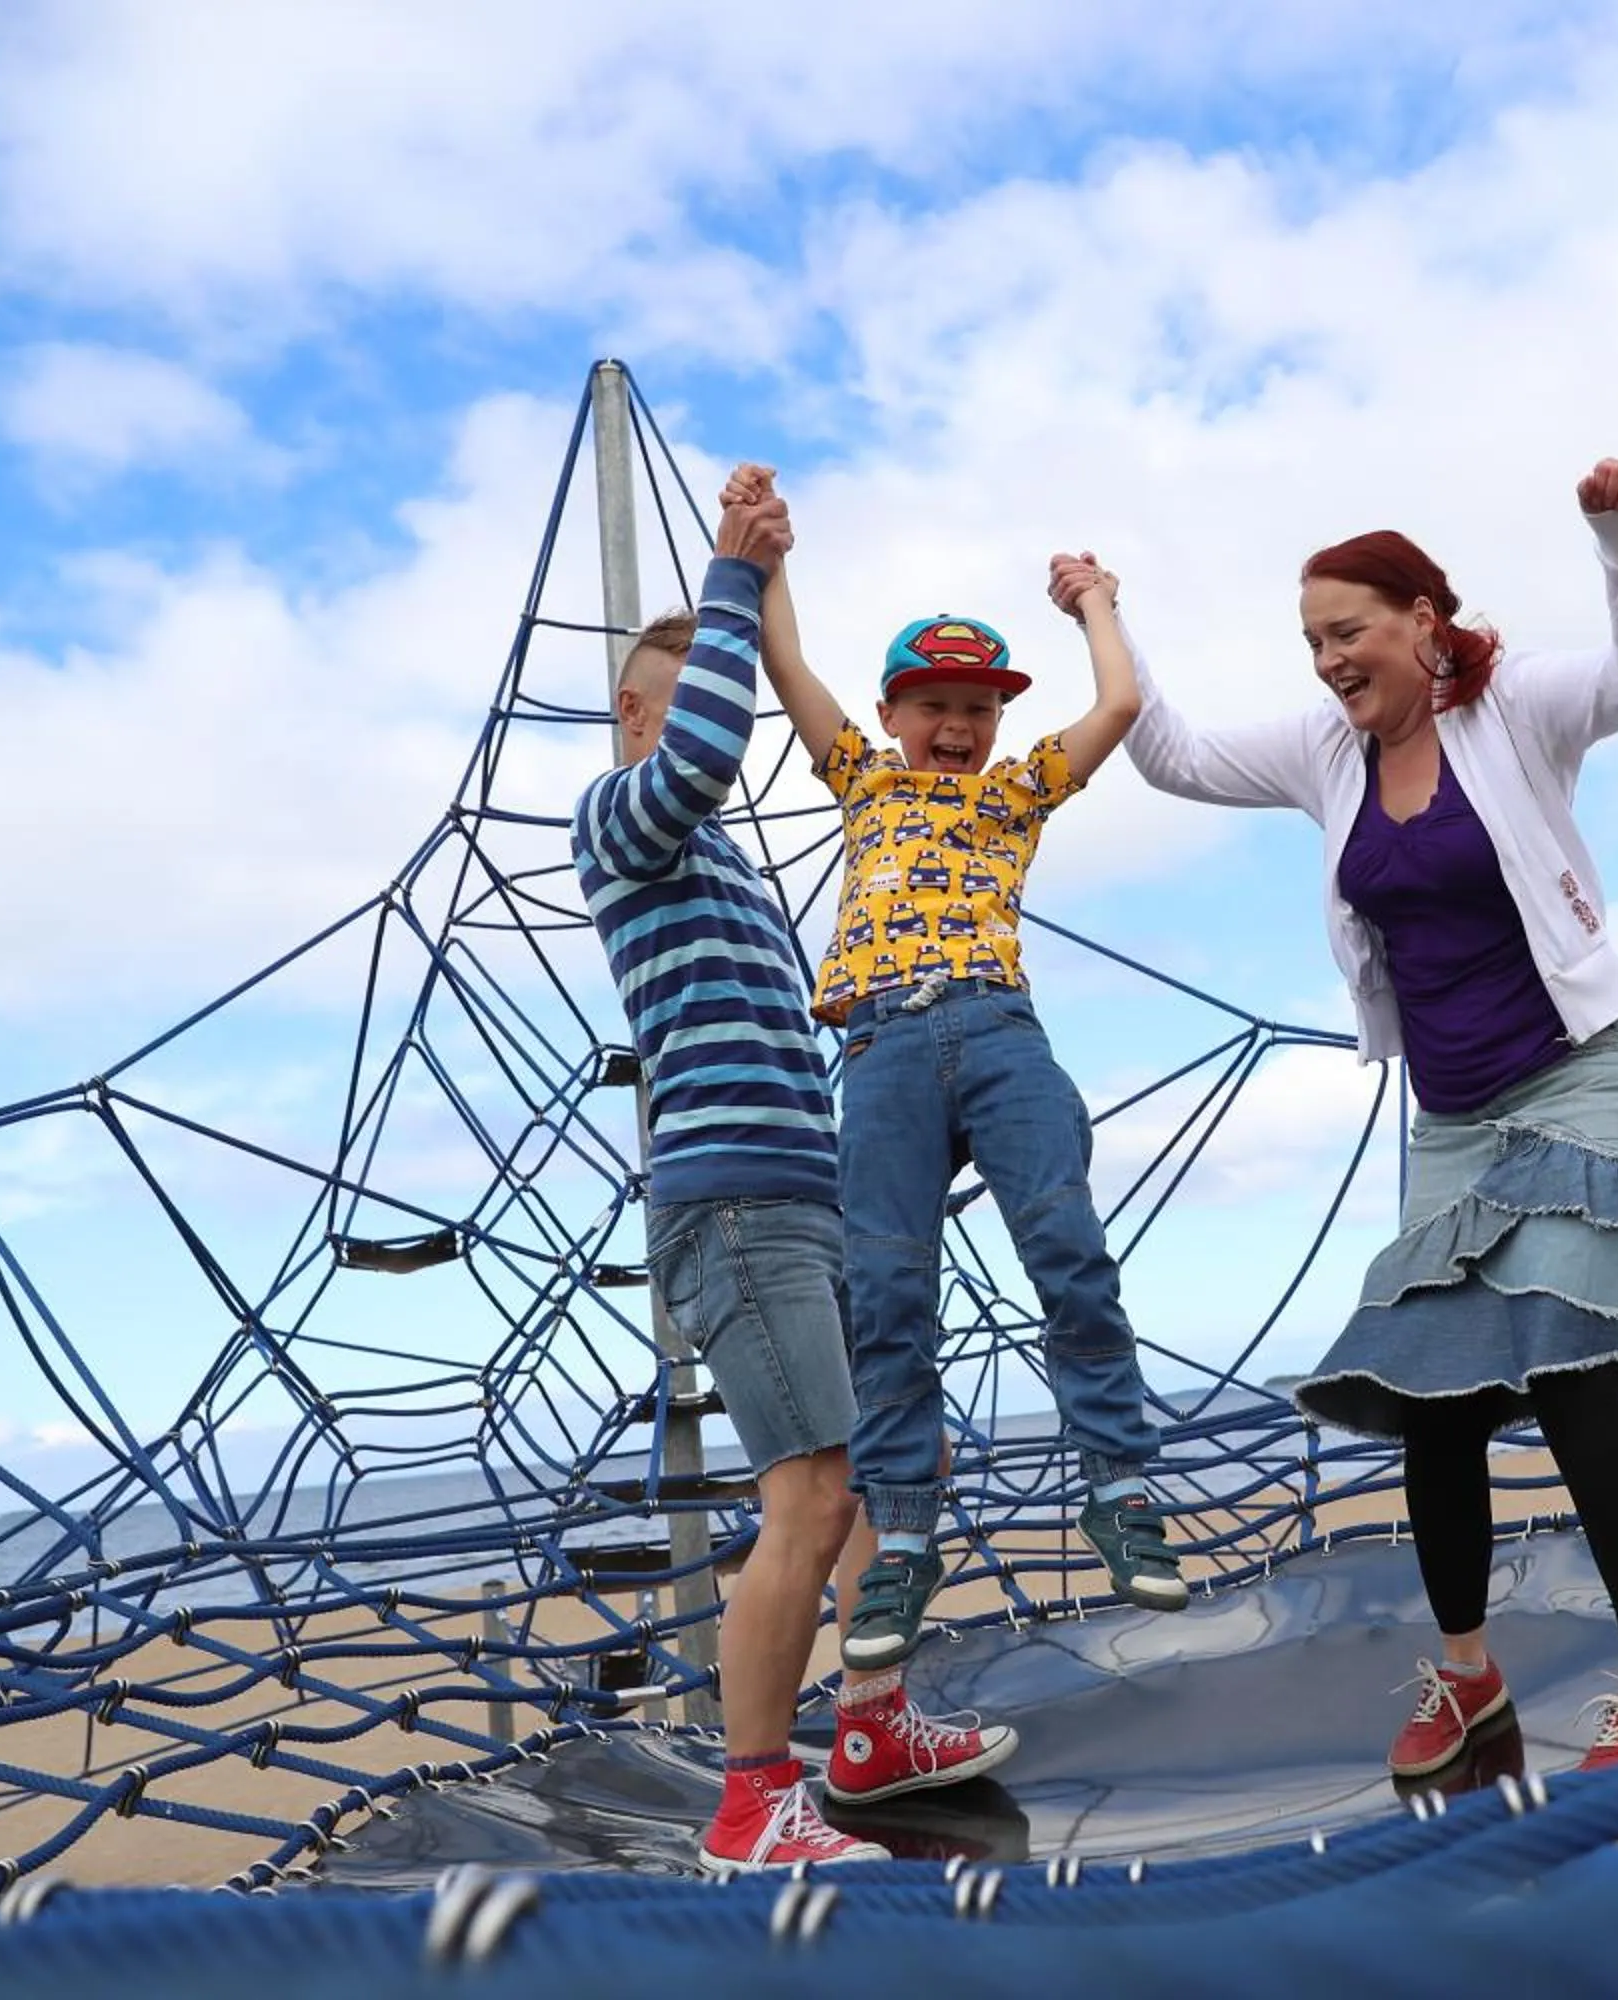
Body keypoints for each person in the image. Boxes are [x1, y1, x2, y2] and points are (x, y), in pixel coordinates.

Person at [1055, 457, 1618, 1778]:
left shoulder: (1515, 709)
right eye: (1313, 640)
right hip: (1448, 1121)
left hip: (1580, 1078)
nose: (1329, 658)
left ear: (1422, 623)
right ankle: (1467, 1684)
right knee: (1434, 1398)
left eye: (1348, 630)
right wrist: (1104, 610)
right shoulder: (1327, 751)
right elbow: (1170, 756)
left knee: (1565, 1369)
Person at [573, 474, 1015, 1877]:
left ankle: (873, 1723)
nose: (711, 711)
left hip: (807, 1195)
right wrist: (732, 584)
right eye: (683, 689)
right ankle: (753, 1798)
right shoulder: (624, 821)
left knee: (896, 1463)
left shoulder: (725, 873)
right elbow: (708, 743)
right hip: (733, 1206)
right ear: (642, 715)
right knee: (809, 1494)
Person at [727, 464, 1191, 1674]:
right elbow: (789, 671)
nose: (957, 726)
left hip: (995, 1031)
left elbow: (1122, 704)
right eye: (933, 703)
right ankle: (905, 1542)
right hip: (878, 1049)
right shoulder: (863, 781)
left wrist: (1094, 600)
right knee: (887, 1297)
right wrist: (770, 559)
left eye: (977, 708)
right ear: (891, 714)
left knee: (1069, 1249)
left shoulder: (1015, 796)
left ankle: (1118, 1484)